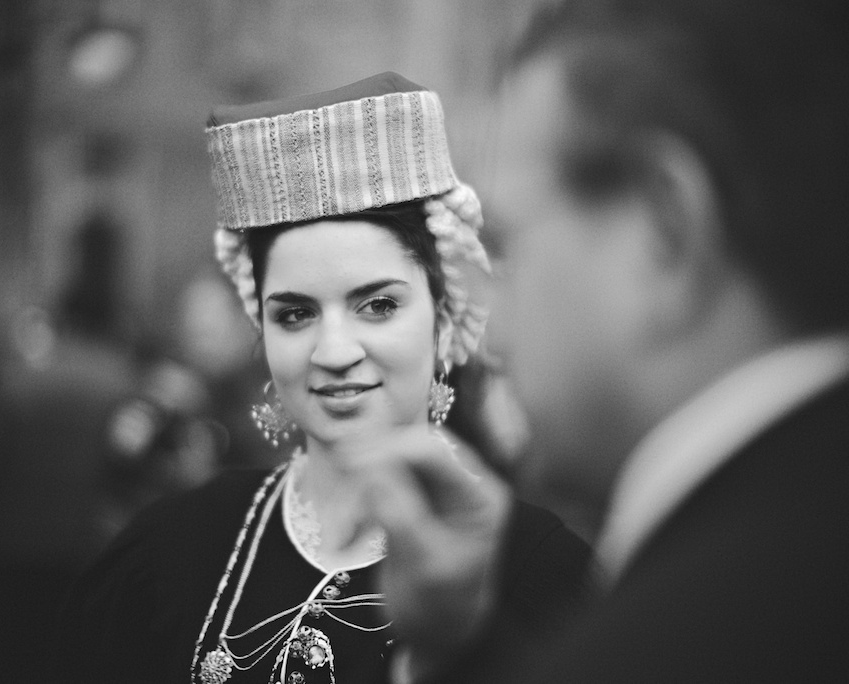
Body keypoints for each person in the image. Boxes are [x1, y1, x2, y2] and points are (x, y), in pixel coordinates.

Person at [351, 1, 849, 682]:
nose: (491, 336)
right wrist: (462, 650)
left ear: (666, 230)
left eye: (506, 248)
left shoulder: (679, 640)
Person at [50, 72, 591, 683]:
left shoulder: (545, 580)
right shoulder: (170, 553)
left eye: (378, 305)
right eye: (296, 315)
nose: (333, 351)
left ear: (443, 319)